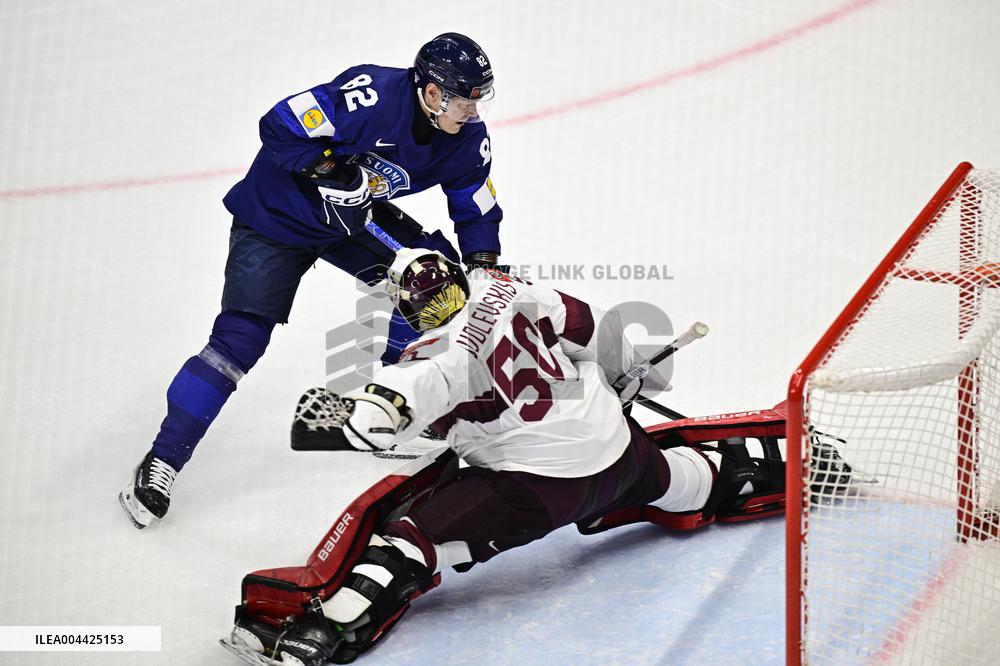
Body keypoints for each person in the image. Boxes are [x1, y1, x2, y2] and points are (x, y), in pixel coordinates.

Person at [220, 250, 811, 665]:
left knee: (408, 541)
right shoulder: (506, 288)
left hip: (541, 489)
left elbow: (415, 391)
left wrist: (371, 409)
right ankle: (790, 470)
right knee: (687, 482)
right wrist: (623, 378)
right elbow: (591, 324)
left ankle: (324, 631)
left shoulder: (433, 353)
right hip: (619, 448)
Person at [120, 33, 506, 529]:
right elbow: (279, 123)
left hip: (350, 222)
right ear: (431, 93)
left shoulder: (467, 140)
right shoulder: (370, 95)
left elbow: (476, 203)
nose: (473, 112)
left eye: (479, 100)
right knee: (238, 342)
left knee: (440, 284)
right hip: (275, 218)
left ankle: (391, 410)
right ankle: (163, 460)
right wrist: (327, 168)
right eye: (464, 100)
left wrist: (483, 260)